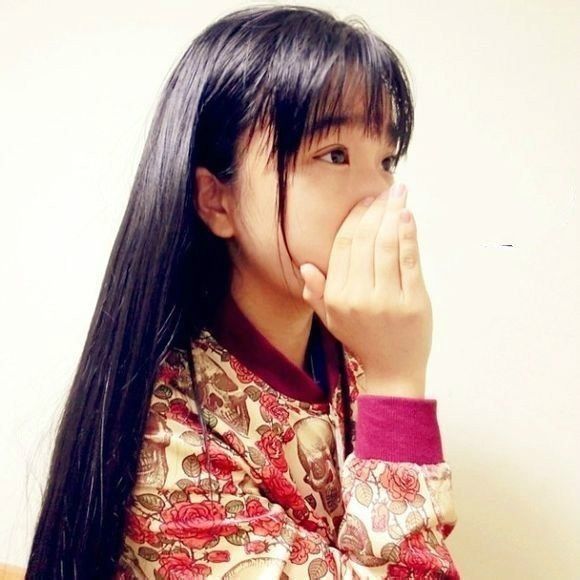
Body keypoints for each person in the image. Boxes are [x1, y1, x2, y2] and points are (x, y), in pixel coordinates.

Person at [26, 5, 460, 578]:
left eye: (386, 160)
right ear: (217, 200)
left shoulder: (356, 349)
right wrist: (398, 382)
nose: (378, 195)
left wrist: (389, 374)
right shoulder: (168, 443)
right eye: (334, 154)